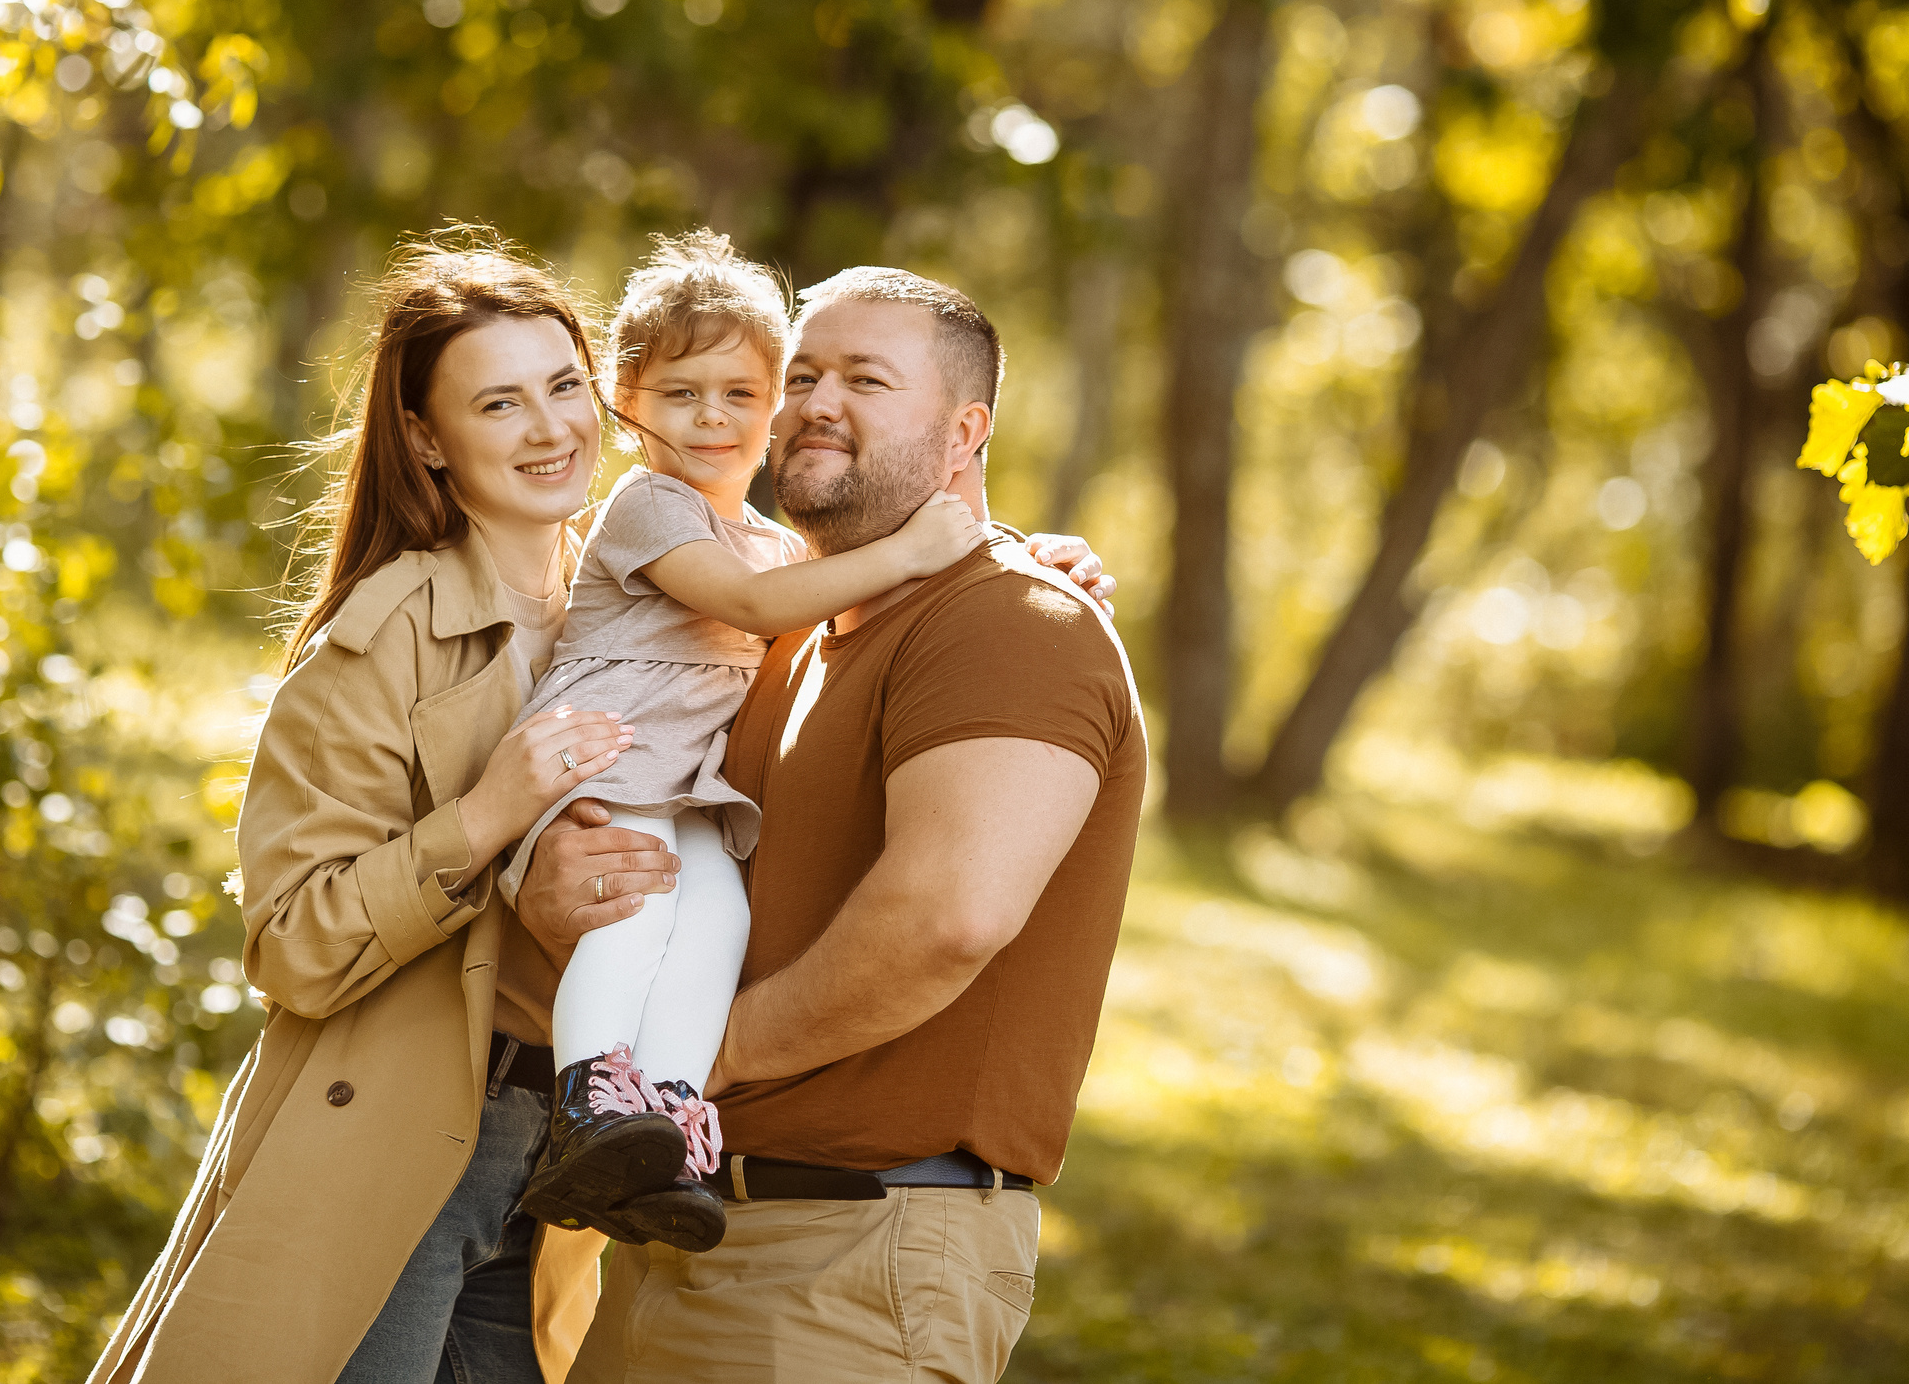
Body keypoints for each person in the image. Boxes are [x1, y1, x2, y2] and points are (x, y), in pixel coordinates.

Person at [88, 233, 1118, 1384]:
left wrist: (1016, 561)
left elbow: (840, 575)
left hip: (566, 1182)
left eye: (562, 387)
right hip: (412, 1144)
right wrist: (486, 830)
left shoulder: (647, 596)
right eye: (498, 403)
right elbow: (293, 947)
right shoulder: (385, 638)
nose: (548, 428)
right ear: (428, 437)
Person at [520, 267, 1148, 1384]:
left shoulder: (1010, 623)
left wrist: (694, 1070)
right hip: (686, 1229)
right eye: (802, 373)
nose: (817, 401)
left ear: (965, 431)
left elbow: (946, 920)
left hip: (852, 1258)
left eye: (865, 378)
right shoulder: (784, 630)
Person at [498, 235, 993, 1253]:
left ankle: (670, 1121)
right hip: (608, 763)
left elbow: (824, 573)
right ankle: (589, 1100)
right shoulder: (648, 510)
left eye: (740, 395)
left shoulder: (770, 538)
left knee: (718, 927)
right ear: (626, 403)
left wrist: (1024, 549)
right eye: (681, 395)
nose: (713, 421)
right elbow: (764, 605)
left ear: (771, 409)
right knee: (634, 920)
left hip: (688, 792)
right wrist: (910, 548)